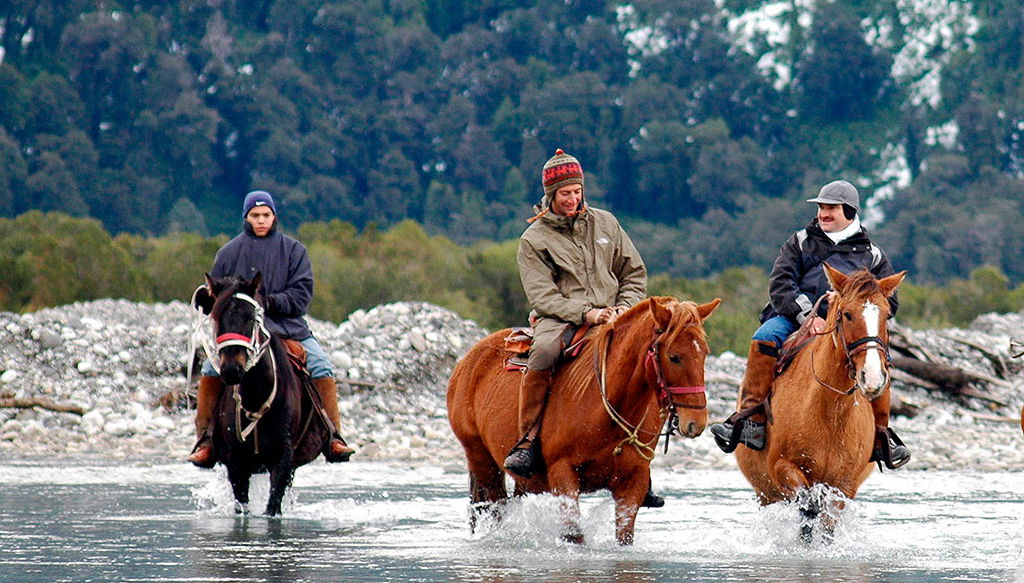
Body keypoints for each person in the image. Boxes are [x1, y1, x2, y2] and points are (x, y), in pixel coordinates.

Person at [708, 180, 911, 468]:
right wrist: (808, 316)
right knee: (763, 338)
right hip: (793, 317)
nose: (822, 214)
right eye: (821, 208)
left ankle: (881, 436)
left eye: (830, 208)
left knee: (877, 358)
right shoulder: (800, 241)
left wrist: (854, 307)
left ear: (850, 212)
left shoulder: (872, 254)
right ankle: (750, 419)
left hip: (849, 325)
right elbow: (781, 283)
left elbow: (889, 301)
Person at [504, 149, 664, 505]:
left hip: (615, 315)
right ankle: (528, 441)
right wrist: (586, 314)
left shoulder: (607, 223)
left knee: (651, 356)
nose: (573, 199)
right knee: (543, 353)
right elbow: (542, 295)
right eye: (565, 193)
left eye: (577, 191)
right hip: (559, 318)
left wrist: (626, 307)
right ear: (550, 195)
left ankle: (642, 463)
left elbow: (633, 273)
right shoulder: (534, 240)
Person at [187, 190, 355, 467]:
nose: (261, 220)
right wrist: (209, 301)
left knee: (322, 366)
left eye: (266, 215)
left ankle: (332, 436)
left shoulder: (294, 251)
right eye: (255, 215)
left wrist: (266, 301)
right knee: (209, 370)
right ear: (246, 217)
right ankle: (205, 440)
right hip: (240, 333)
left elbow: (301, 295)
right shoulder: (228, 253)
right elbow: (217, 298)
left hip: (287, 328)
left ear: (275, 216)